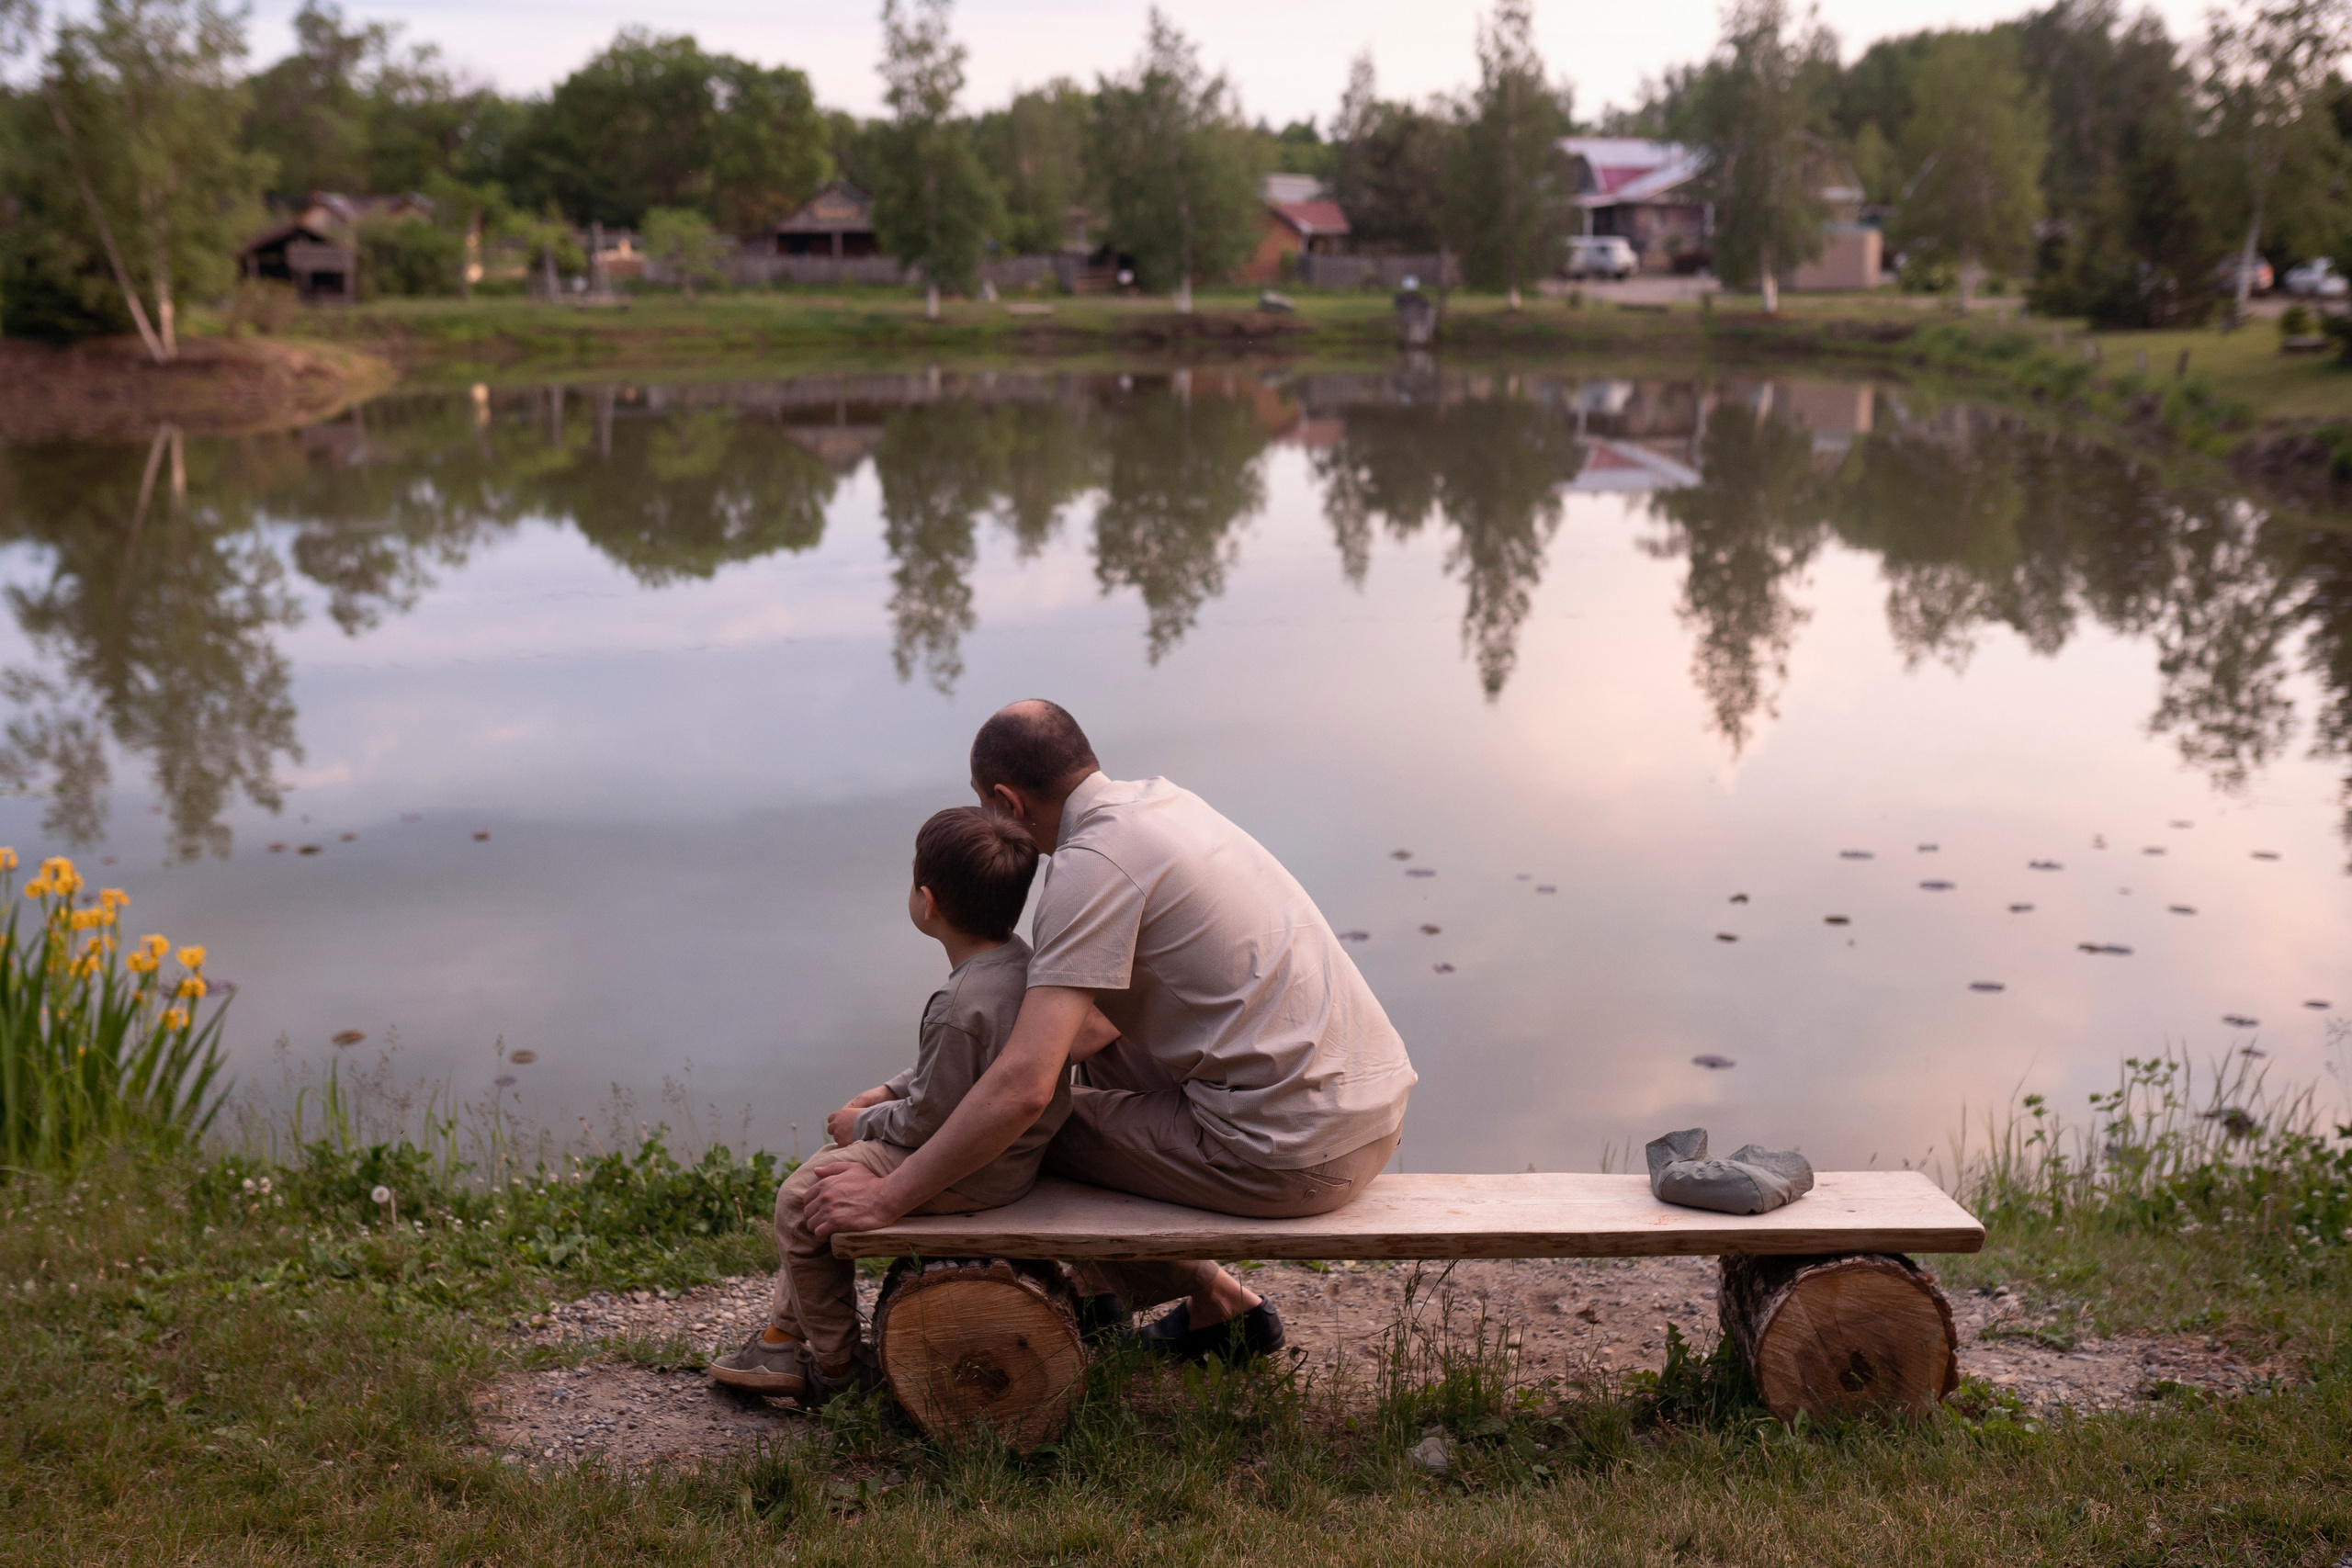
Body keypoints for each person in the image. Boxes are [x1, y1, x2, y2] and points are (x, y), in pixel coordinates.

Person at [807, 700, 1417, 1362]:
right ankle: (1160, 1301)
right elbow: (1088, 1029)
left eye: (984, 806)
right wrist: (893, 1090)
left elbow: (1022, 1092)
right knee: (1090, 1062)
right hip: (1369, 1112)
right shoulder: (1164, 804)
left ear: (1007, 802)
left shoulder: (1087, 866)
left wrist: (888, 1195)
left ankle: (1179, 1292)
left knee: (1032, 1136)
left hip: (1297, 1153)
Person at [709, 806, 1116, 1402]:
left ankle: (835, 1367)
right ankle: (780, 1332)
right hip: (1014, 1159)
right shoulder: (1027, 965)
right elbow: (969, 1068)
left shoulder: (957, 1003)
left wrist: (862, 1121)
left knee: (801, 1196)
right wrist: (892, 1088)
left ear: (927, 901)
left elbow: (930, 1120)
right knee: (827, 1173)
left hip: (974, 1172)